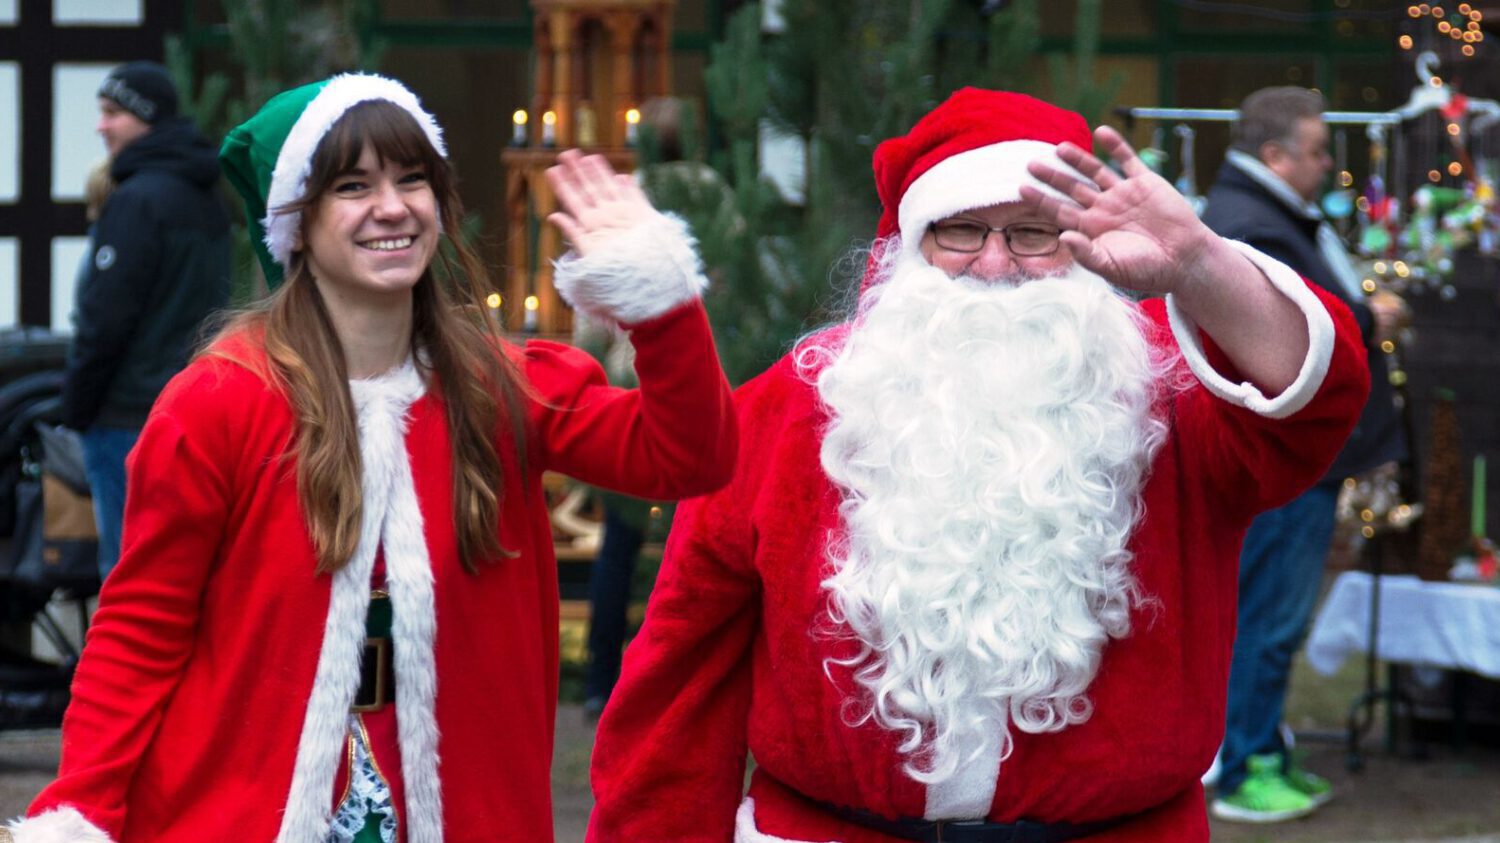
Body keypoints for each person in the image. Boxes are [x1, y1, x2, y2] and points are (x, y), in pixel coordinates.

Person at [586, 87, 1370, 842]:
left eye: (1032, 232)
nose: (996, 266)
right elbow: (677, 696)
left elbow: (1316, 404)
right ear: (909, 250)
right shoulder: (789, 411)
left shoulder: (1169, 396)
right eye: (960, 230)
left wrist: (1198, 263)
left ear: (1080, 246)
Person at [9, 73, 735, 842]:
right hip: (246, 806)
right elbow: (138, 631)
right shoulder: (220, 402)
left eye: (411, 178)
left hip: (462, 808)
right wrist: (79, 809)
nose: (392, 206)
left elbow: (689, 456)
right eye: (353, 185)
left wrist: (659, 301)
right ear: (296, 221)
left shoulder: (500, 388)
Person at [1201, 86, 1407, 824]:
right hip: (1291, 462)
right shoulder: (1255, 223)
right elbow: (1294, 329)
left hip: (1301, 460)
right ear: (1275, 154)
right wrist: (1366, 314)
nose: (1327, 165)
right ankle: (1246, 766)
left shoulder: (1265, 216)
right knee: (1269, 619)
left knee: (1271, 617)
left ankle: (1261, 749)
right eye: (1318, 151)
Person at [63, 60, 232, 583]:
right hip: (193, 411)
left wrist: (78, 408)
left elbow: (104, 320)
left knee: (125, 575)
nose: (101, 126)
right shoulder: (207, 198)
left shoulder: (137, 200)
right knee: (183, 573)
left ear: (146, 118)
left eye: (112, 113)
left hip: (125, 417)